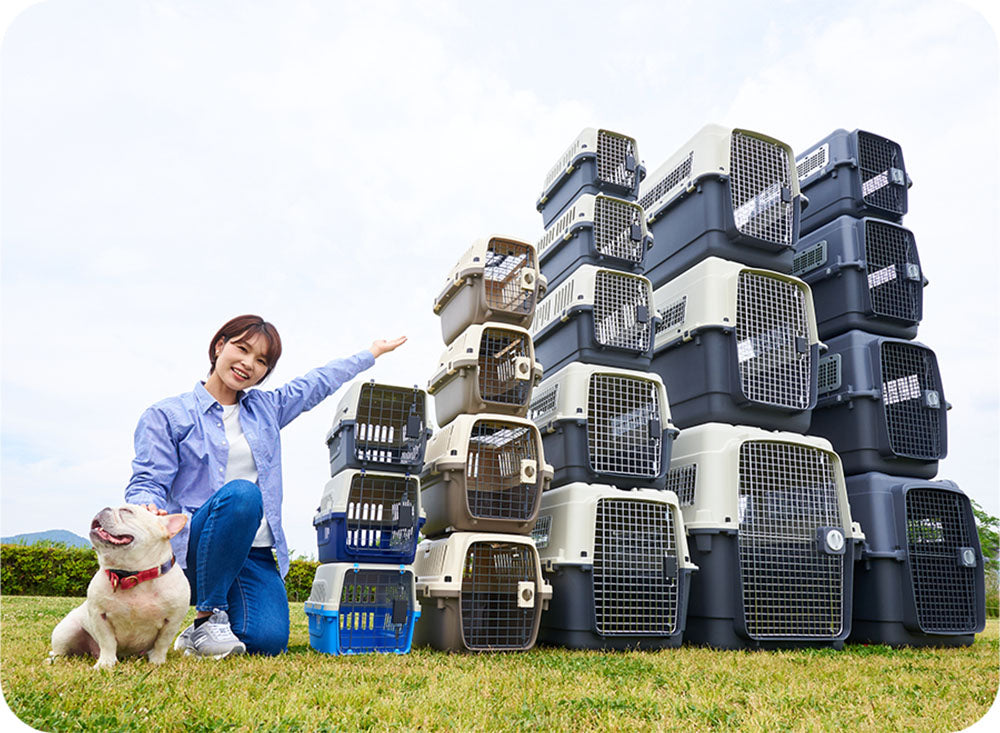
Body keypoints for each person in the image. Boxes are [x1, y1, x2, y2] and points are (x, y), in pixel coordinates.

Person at [124, 314, 405, 658]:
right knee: (243, 494)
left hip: (253, 550)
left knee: (268, 642)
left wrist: (370, 353)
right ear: (218, 346)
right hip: (197, 547)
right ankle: (207, 617)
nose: (248, 364)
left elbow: (316, 382)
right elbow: (148, 479)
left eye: (261, 361)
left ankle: (197, 634)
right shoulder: (169, 415)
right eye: (242, 349)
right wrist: (145, 506)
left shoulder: (266, 409)